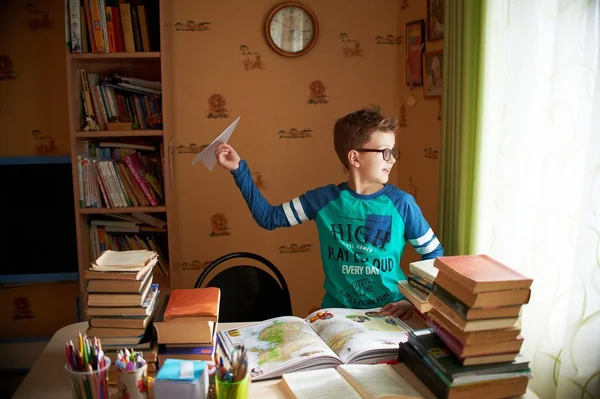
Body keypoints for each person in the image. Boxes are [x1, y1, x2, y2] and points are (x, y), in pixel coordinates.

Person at [215, 106, 443, 318]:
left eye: (394, 151)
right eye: (384, 152)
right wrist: (239, 170)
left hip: (390, 313)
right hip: (337, 316)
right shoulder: (323, 200)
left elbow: (434, 254)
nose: (392, 159)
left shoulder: (402, 204)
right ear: (355, 158)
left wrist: (412, 300)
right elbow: (269, 218)